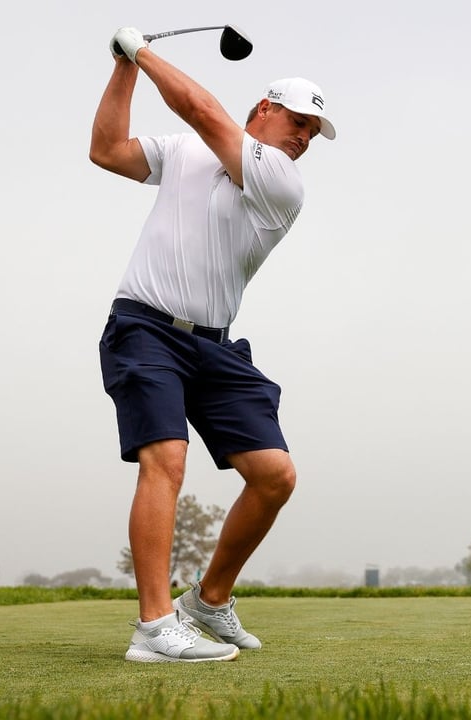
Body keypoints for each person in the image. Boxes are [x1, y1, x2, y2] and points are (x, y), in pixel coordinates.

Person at [90, 27, 336, 663]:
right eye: (300, 122)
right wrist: (122, 69)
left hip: (217, 348)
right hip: (145, 328)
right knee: (166, 458)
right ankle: (154, 625)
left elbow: (201, 108)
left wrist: (140, 51)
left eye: (314, 132)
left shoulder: (280, 181)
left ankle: (209, 599)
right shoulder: (184, 151)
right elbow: (107, 150)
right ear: (265, 108)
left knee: (274, 476)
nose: (305, 138)